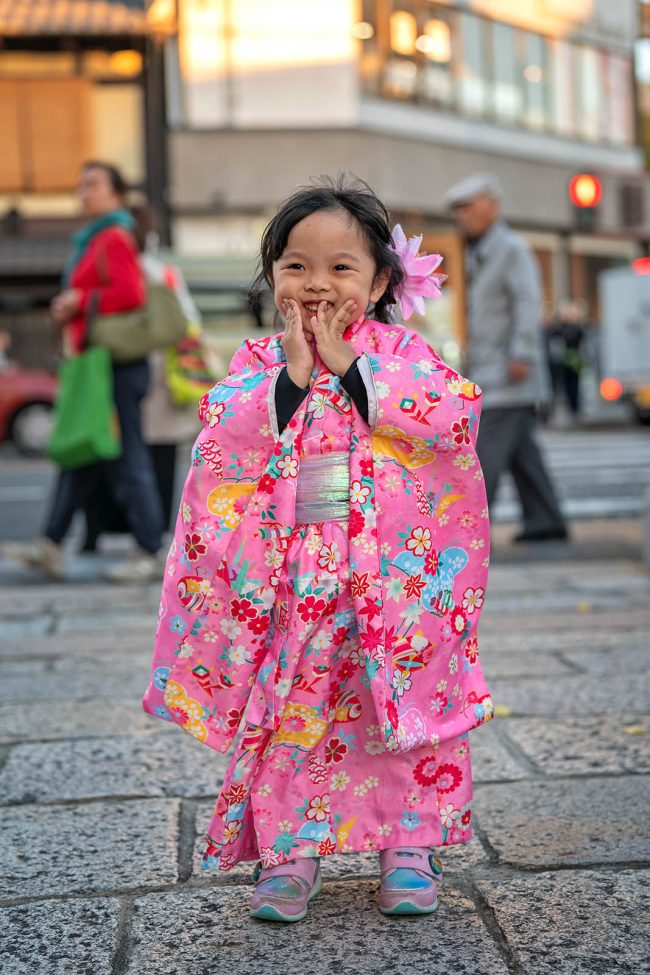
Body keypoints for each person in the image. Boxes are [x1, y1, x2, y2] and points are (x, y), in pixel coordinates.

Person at [142, 175, 494, 922]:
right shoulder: (258, 364)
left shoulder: (401, 354)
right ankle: (289, 850)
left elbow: (451, 420)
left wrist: (354, 367)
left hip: (391, 585)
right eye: (296, 265)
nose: (316, 284)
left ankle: (408, 844)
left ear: (382, 279)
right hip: (291, 584)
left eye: (341, 267)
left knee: (391, 704)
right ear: (271, 275)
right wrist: (298, 375)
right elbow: (222, 439)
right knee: (294, 711)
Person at [3, 161, 165, 580]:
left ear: (116, 193)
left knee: (126, 453)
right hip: (96, 363)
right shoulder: (95, 238)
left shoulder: (112, 237)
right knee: (80, 452)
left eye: (92, 184)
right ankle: (52, 543)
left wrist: (78, 301)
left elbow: (130, 294)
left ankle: (150, 550)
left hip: (113, 365)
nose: (82, 191)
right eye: (80, 184)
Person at [443, 172, 568, 543]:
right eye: (458, 210)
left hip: (510, 373)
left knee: (484, 457)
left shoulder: (510, 249)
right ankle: (546, 519)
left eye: (468, 207)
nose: (462, 216)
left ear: (490, 206)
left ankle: (467, 532)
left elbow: (527, 303)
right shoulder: (477, 252)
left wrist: (523, 353)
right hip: (491, 371)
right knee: (524, 455)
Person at [545, 299, 587, 421]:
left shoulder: (577, 329)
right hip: (563, 361)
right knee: (563, 386)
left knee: (573, 386)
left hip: (573, 361)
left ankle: (575, 409)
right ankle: (570, 409)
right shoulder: (560, 328)